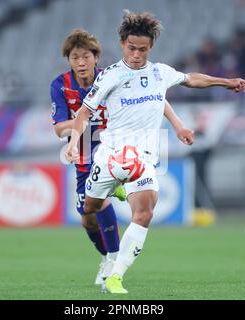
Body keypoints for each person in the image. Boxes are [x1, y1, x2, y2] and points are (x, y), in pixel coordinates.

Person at [65, 12, 245, 294]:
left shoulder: (159, 72)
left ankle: (116, 276)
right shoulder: (111, 76)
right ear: (122, 43)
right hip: (111, 156)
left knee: (144, 213)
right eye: (131, 48)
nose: (137, 55)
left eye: (142, 49)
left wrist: (226, 82)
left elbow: (191, 79)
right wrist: (72, 143)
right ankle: (114, 190)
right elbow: (82, 114)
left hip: (144, 159)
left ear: (150, 47)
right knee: (88, 209)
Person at [50, 28, 192, 290]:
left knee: (108, 203)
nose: (80, 63)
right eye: (74, 58)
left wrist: (178, 125)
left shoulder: (113, 76)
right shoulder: (60, 85)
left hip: (115, 146)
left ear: (96, 58)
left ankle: (112, 259)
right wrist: (84, 122)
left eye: (85, 57)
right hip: (83, 146)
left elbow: (158, 99)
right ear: (68, 60)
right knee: (86, 216)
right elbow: (60, 128)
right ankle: (107, 250)